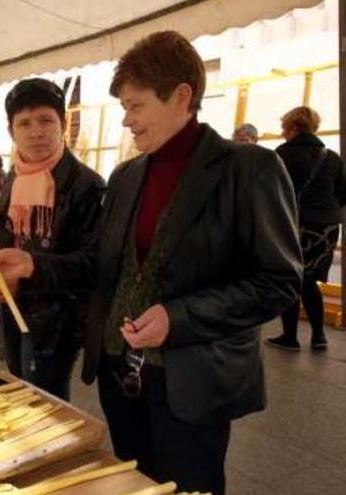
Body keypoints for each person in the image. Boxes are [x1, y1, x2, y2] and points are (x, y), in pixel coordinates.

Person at [80, 31, 300, 494]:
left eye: (135, 106)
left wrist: (177, 319)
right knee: (135, 484)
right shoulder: (126, 175)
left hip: (193, 383)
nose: (126, 121)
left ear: (182, 96)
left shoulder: (249, 169)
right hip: (123, 377)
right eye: (124, 108)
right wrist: (33, 266)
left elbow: (278, 283)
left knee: (190, 486)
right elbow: (102, 267)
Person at [0, 78, 105, 400]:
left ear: (62, 124)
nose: (36, 132)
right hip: (13, 307)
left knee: (46, 401)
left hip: (58, 322)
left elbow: (95, 263)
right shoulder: (13, 178)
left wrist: (30, 267)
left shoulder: (87, 185)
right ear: (11, 131)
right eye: (25, 123)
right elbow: (8, 237)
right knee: (19, 388)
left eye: (46, 120)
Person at [266, 106, 346, 351]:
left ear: (294, 128)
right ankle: (319, 336)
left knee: (291, 278)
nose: (282, 134)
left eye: (284, 128)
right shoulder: (331, 157)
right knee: (309, 280)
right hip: (326, 230)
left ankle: (290, 337)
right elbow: (342, 195)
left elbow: (269, 193)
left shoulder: (281, 155)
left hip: (293, 225)